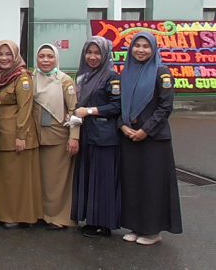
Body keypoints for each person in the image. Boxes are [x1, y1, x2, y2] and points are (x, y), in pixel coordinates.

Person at [119, 32, 182, 245]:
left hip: (153, 140)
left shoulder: (161, 73)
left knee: (152, 185)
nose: (141, 50)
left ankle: (153, 231)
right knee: (133, 184)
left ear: (153, 49)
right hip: (129, 137)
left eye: (146, 46)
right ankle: (137, 227)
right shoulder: (126, 72)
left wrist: (145, 130)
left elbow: (165, 107)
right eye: (137, 45)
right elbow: (119, 105)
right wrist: (123, 126)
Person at [71, 36, 122, 238]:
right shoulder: (83, 76)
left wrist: (90, 111)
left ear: (105, 54)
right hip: (87, 135)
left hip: (104, 137)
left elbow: (117, 105)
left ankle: (104, 224)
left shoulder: (111, 76)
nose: (92, 57)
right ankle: (91, 220)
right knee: (89, 177)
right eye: (89, 52)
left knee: (103, 181)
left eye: (97, 53)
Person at [0, 40, 42, 229]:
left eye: (8, 54)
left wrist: (21, 135)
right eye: (0, 54)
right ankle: (6, 214)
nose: (4, 58)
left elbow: (25, 109)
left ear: (16, 56)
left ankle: (20, 216)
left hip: (17, 136)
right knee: (5, 177)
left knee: (18, 179)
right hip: (1, 134)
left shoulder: (22, 78)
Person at [33, 43, 80, 230]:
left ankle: (59, 218)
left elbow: (74, 110)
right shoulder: (31, 78)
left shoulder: (65, 80)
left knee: (57, 181)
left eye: (50, 56)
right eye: (42, 56)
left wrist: (74, 137)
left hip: (58, 138)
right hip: (37, 137)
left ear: (56, 59)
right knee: (41, 180)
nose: (45, 60)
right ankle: (42, 214)